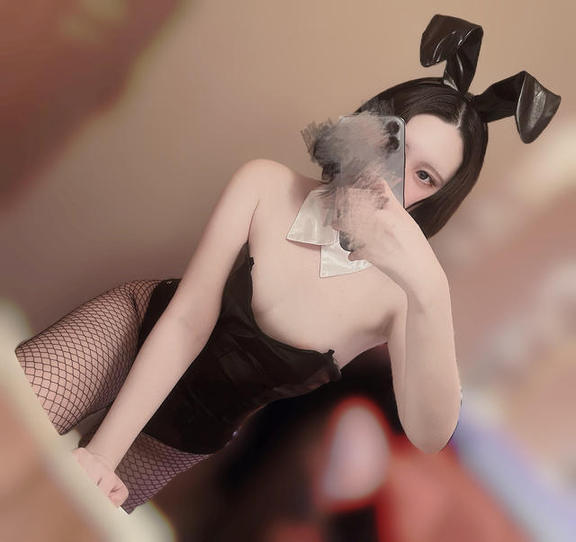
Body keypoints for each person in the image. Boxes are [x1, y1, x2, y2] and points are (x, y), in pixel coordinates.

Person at [14, 14, 560, 514]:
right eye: (395, 142)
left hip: (189, 431)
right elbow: (187, 320)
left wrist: (431, 289)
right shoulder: (266, 184)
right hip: (135, 333)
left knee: (52, 521)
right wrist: (102, 455)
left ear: (437, 198)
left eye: (424, 176)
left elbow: (429, 434)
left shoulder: (400, 298)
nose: (393, 177)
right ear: (372, 125)